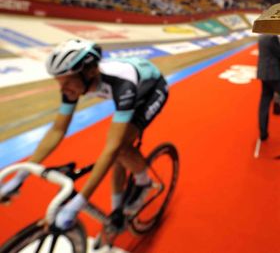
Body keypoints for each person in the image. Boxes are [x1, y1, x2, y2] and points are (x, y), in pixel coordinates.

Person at [0, 39, 168, 230]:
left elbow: (112, 148)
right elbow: (58, 130)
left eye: (67, 82)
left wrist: (77, 203)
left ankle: (144, 182)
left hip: (151, 90)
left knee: (119, 148)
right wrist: (19, 177)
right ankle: (117, 211)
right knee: (116, 151)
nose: (62, 89)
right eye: (59, 82)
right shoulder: (77, 83)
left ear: (90, 72)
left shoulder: (122, 83)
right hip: (127, 90)